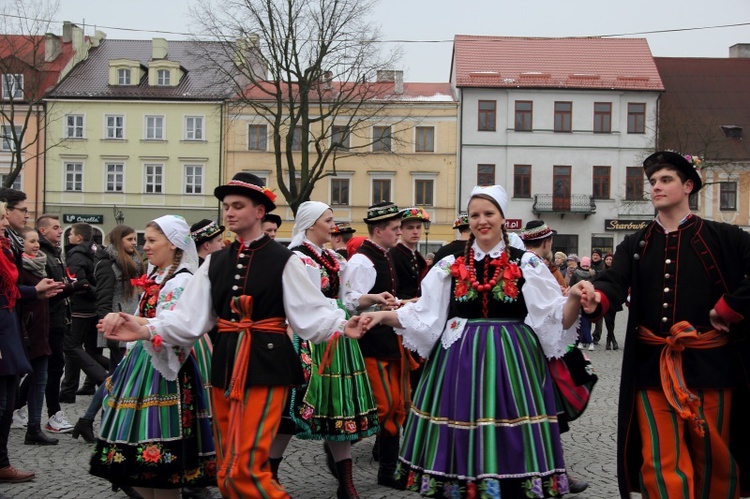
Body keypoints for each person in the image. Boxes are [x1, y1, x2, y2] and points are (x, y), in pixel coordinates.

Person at [99, 172, 368, 499]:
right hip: (226, 366)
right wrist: (143, 327)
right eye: (226, 206)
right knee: (227, 472)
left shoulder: (286, 260)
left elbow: (310, 314)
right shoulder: (214, 263)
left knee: (247, 470)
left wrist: (342, 325)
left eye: (237, 206)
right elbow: (188, 319)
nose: (228, 212)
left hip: (268, 367)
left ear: (259, 211)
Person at [357, 185, 587, 498]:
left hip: (513, 359)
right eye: (475, 214)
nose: (481, 220)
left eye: (489, 213)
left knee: (510, 428)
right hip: (459, 361)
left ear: (502, 218)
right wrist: (381, 317)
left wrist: (573, 296)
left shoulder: (525, 263)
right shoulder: (449, 264)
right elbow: (425, 315)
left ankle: (509, 483)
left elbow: (556, 318)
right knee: (460, 427)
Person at [580, 151, 750, 499]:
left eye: (665, 180)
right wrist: (597, 297)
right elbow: (614, 280)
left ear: (688, 186)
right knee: (659, 462)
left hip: (712, 367)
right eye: (653, 182)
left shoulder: (724, 237)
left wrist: (730, 307)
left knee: (716, 464)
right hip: (652, 369)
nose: (656, 187)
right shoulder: (636, 242)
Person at [90, 215, 216, 498]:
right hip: (143, 363)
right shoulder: (158, 276)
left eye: (151, 240)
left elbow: (170, 325)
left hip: (165, 368)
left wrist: (132, 324)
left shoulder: (181, 281)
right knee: (141, 464)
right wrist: (123, 320)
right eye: (144, 240)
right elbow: (143, 318)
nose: (145, 246)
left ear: (172, 245)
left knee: (163, 466)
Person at [270, 201, 381, 499]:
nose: (333, 225)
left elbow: (347, 298)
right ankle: (270, 477)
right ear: (310, 224)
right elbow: (298, 306)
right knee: (292, 412)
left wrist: (373, 299)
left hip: (339, 338)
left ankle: (346, 485)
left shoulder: (333, 258)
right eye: (328, 220)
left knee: (339, 411)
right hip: (310, 340)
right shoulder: (297, 258)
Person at [341, 201, 406, 489]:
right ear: (378, 231)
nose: (400, 233)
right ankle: (338, 444)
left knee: (395, 406)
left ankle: (388, 472)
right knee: (383, 405)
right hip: (370, 342)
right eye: (395, 229)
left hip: (387, 340)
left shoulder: (384, 254)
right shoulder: (361, 261)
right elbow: (349, 301)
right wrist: (375, 299)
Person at [0, 200, 61, 485]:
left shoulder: (5, 248)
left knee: (9, 398)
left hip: (10, 327)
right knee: (3, 402)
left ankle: (2, 461)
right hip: (7, 329)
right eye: (0, 217)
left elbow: (11, 290)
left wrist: (35, 291)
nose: (4, 223)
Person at [71, 226, 144, 443]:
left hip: (132, 325)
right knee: (116, 378)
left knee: (115, 378)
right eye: (130, 239)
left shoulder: (134, 262)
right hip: (117, 326)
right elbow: (102, 301)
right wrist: (110, 331)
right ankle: (98, 423)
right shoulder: (107, 265)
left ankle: (92, 421)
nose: (134, 242)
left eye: (134, 238)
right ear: (118, 240)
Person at [35, 214, 78, 434]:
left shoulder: (54, 253)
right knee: (49, 369)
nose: (60, 230)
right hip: (50, 319)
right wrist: (70, 287)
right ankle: (53, 415)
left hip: (59, 317)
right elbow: (49, 289)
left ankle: (19, 409)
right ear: (43, 231)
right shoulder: (44, 254)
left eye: (60, 227)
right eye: (55, 227)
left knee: (46, 368)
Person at [15, 227, 58, 446]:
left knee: (40, 380)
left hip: (41, 332)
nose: (37, 245)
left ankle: (34, 427)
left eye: (37, 241)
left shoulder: (41, 265)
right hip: (23, 332)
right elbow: (15, 294)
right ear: (20, 244)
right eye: (31, 241)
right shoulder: (19, 267)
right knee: (15, 381)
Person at [60, 223, 108, 402]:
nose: (69, 237)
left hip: (80, 308)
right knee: (93, 349)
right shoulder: (99, 251)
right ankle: (92, 384)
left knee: (73, 349)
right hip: (96, 307)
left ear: (79, 237)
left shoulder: (75, 254)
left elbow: (78, 282)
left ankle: (68, 390)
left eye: (71, 234)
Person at [570, 256, 596, 350]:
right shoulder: (576, 274)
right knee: (582, 322)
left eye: (587, 266)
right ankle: (584, 341)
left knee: (586, 322)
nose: (585, 267)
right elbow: (572, 286)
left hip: (589, 299)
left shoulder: (593, 273)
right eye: (583, 265)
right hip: (578, 299)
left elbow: (595, 285)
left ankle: (585, 341)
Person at [596, 253, 620, 351]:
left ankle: (609, 339)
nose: (609, 261)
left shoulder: (616, 272)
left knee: (612, 321)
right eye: (607, 259)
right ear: (604, 261)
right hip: (605, 299)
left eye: (611, 259)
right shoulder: (602, 272)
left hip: (614, 298)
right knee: (607, 319)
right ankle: (613, 340)